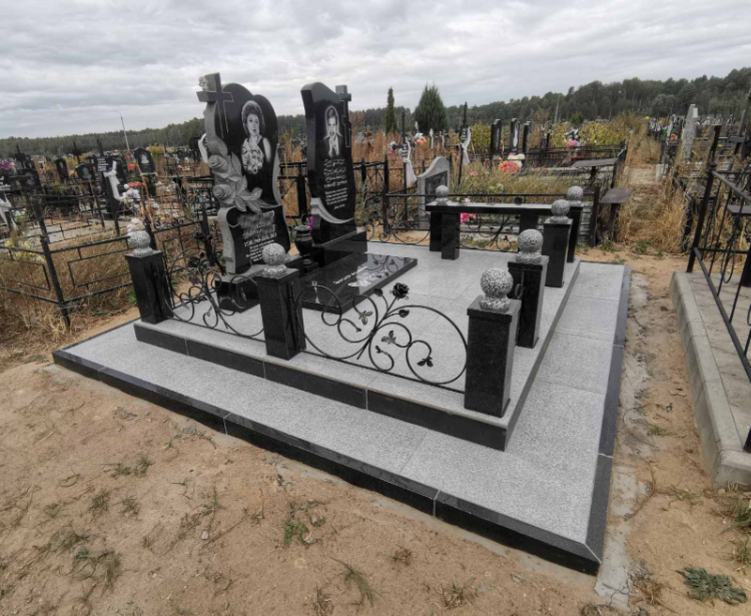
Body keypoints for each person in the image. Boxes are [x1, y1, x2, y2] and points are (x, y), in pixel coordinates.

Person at [241, 100, 272, 177]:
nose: (254, 125)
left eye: (256, 121)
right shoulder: (244, 145)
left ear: (259, 123)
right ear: (246, 123)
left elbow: (269, 166)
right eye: (250, 121)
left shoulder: (265, 142)